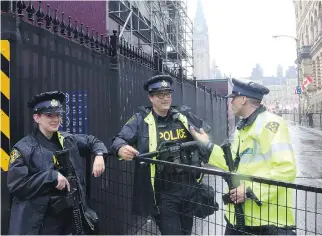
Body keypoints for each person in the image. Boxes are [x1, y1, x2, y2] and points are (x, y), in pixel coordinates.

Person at [191, 78, 296, 235]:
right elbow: (233, 163)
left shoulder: (272, 125)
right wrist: (207, 146)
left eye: (233, 98)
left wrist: (249, 191)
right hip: (240, 218)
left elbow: (286, 170)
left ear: (243, 99)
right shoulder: (245, 128)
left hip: (266, 223)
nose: (230, 102)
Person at [111, 74, 211, 235]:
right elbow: (118, 140)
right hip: (164, 192)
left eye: (168, 94)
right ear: (151, 97)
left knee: (186, 233)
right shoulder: (141, 120)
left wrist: (204, 139)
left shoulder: (183, 115)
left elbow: (204, 131)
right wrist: (121, 148)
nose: (165, 99)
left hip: (189, 187)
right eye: (160, 95)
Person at [7, 91, 108, 235]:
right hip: (41, 222)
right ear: (37, 117)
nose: (56, 119)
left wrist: (99, 155)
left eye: (58, 115)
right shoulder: (24, 148)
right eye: (49, 115)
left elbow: (92, 141)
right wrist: (51, 177)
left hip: (70, 216)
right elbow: (16, 185)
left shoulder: (67, 140)